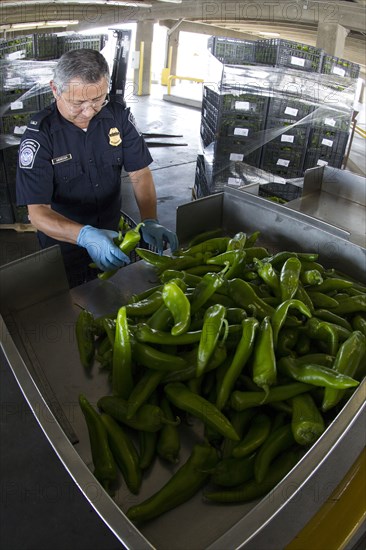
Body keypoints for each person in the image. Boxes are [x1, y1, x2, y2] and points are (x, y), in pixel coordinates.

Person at [16, 48, 178, 287]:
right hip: (64, 244)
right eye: (78, 102)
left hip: (113, 235)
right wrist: (84, 235)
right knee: (70, 302)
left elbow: (139, 172)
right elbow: (38, 211)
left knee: (110, 295)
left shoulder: (118, 117)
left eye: (97, 100)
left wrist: (149, 219)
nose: (89, 111)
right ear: (54, 90)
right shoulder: (40, 136)